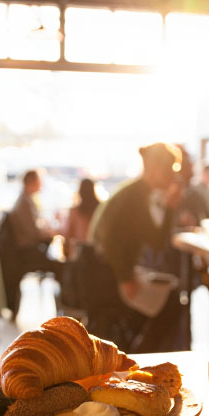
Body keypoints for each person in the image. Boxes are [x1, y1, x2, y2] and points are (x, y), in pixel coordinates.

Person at [86, 142, 184, 349]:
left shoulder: (135, 192)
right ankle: (139, 356)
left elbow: (155, 241)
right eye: (170, 169)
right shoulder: (135, 197)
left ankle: (137, 353)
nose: (173, 176)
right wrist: (125, 278)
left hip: (105, 271)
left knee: (171, 296)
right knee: (173, 301)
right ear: (156, 169)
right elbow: (111, 238)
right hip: (107, 276)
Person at [0, 168, 56, 317]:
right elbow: (33, 233)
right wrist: (50, 233)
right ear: (32, 182)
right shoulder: (25, 202)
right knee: (59, 265)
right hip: (25, 253)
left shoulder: (26, 200)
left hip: (24, 250)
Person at [62, 177, 100, 260]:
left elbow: (68, 234)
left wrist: (66, 255)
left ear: (80, 191)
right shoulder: (100, 209)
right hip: (98, 252)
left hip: (81, 253)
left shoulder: (75, 211)